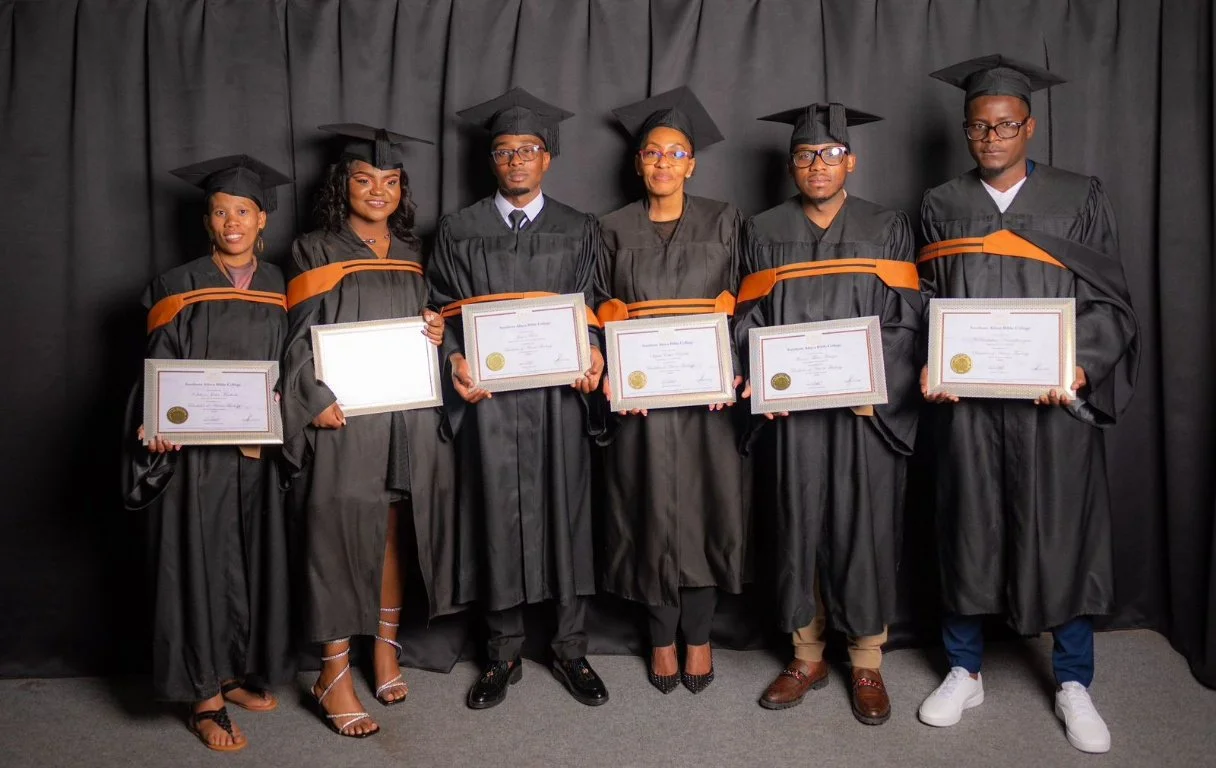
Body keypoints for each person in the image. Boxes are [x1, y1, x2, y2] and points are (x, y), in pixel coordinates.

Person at [913, 55, 1140, 754]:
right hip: (969, 407)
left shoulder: (1079, 195)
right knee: (966, 526)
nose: (992, 138)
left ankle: (1073, 681)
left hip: (1053, 404)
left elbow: (1107, 299)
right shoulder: (941, 203)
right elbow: (925, 300)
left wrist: (1079, 365)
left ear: (1029, 126)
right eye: (979, 127)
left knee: (1063, 530)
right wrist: (928, 360)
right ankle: (964, 669)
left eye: (1006, 125)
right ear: (966, 129)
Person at [733, 104, 922, 725]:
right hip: (794, 414)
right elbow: (747, 318)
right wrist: (767, 380)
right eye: (806, 155)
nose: (818, 165)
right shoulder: (764, 230)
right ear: (792, 164)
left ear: (851, 161)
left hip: (865, 412)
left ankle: (866, 660)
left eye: (831, 154)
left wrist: (875, 384)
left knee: (865, 525)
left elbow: (906, 320)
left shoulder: (886, 226)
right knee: (798, 524)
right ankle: (806, 655)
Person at [427, 87, 609, 710]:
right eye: (504, 151)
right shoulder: (459, 230)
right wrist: (454, 357)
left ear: (547, 157)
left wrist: (594, 351)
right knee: (496, 515)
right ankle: (502, 652)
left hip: (559, 402)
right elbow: (441, 310)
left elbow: (594, 306)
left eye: (528, 150)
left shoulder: (579, 229)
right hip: (491, 402)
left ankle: (570, 647)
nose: (516, 161)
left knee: (566, 513)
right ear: (492, 160)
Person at [279, 124, 455, 738]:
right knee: (334, 535)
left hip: (407, 415)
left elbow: (427, 322)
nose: (378, 190)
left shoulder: (412, 250)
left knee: (394, 530)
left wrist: (437, 329)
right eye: (364, 179)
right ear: (342, 185)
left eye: (390, 180)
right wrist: (312, 399)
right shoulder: (313, 249)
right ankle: (333, 672)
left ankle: (385, 647)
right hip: (346, 418)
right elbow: (294, 336)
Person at [124, 155, 294, 752]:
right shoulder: (178, 284)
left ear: (262, 219)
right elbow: (158, 367)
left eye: (243, 212)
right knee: (197, 567)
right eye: (221, 213)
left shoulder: (279, 285)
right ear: (207, 221)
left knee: (247, 562)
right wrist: (156, 420)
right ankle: (204, 698)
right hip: (194, 460)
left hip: (255, 453)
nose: (232, 223)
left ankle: (233, 673)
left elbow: (295, 362)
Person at [594, 86, 749, 695]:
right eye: (653, 152)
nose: (664, 162)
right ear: (638, 163)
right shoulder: (609, 228)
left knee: (708, 507)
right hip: (640, 396)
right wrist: (607, 365)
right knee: (648, 509)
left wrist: (735, 365)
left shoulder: (725, 220)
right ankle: (661, 637)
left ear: (692, 164)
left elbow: (747, 302)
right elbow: (595, 308)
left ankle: (699, 635)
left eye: (676, 153)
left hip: (708, 398)